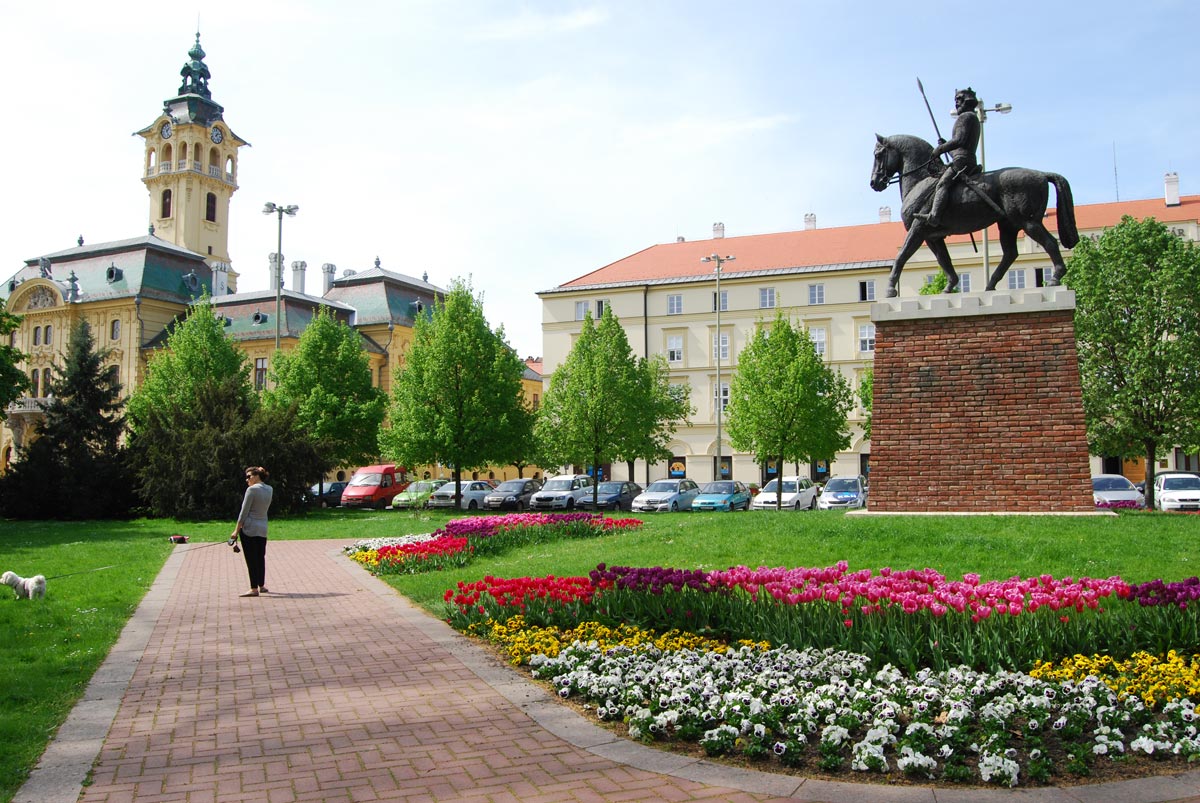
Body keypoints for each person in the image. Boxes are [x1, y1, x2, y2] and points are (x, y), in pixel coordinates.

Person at [918, 87, 981, 227]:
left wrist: (940, 149)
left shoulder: (966, 117)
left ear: (967, 101)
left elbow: (959, 140)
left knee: (942, 184)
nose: (956, 103)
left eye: (959, 100)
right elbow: (961, 147)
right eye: (956, 100)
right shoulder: (972, 117)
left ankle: (934, 215)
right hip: (963, 158)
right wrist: (947, 147)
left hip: (962, 161)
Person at [232, 466, 273, 597]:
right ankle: (261, 585)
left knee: (251, 559)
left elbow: (243, 513)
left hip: (249, 528)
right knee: (260, 557)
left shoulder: (251, 490)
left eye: (249, 477)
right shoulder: (269, 489)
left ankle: (253, 588)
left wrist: (235, 531)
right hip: (263, 528)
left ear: (256, 476)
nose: (247, 480)